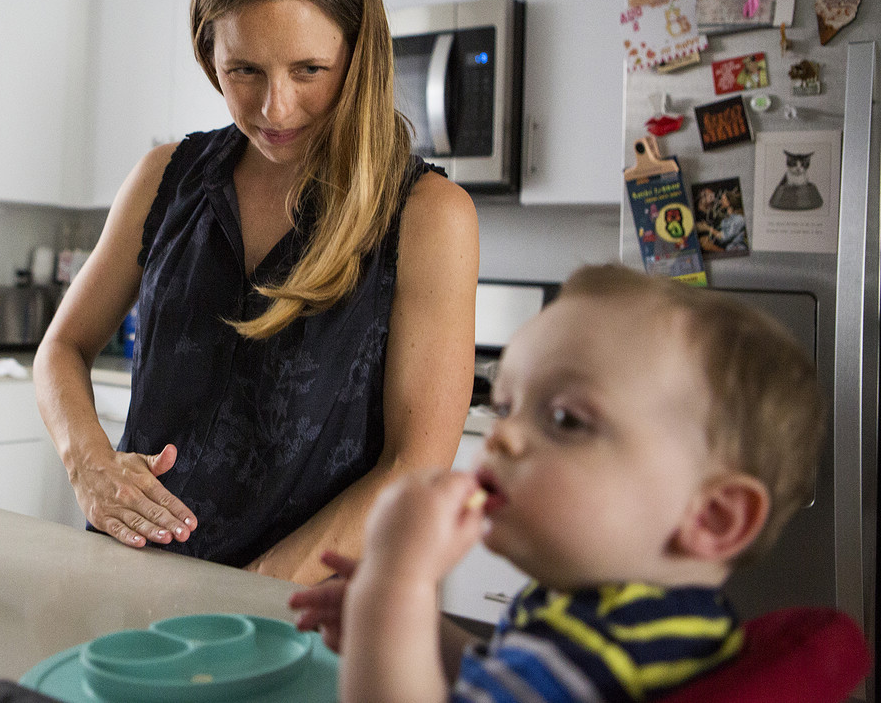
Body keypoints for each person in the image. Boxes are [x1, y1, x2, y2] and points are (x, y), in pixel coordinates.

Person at [33, 0, 479, 586]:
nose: (275, 108)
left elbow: (413, 464)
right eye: (245, 70)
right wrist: (88, 462)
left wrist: (253, 596)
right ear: (209, 49)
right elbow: (61, 347)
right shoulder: (164, 177)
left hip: (293, 612)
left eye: (308, 69)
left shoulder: (428, 215)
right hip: (129, 587)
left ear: (358, 56)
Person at [290, 263, 824, 702]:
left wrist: (394, 590)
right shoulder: (640, 623)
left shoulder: (612, 649)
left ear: (712, 517)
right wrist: (416, 629)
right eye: (504, 407)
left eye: (566, 419)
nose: (502, 437)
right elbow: (504, 675)